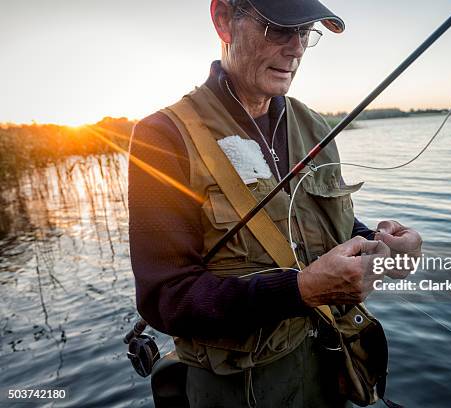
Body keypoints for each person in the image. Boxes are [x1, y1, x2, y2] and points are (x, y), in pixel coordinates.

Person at [128, 0, 422, 406]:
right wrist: (299, 290)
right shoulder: (163, 137)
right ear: (224, 20)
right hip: (237, 392)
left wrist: (383, 248)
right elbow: (166, 300)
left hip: (328, 373)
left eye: (304, 32)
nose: (297, 48)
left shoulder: (317, 126)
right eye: (278, 28)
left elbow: (331, 226)